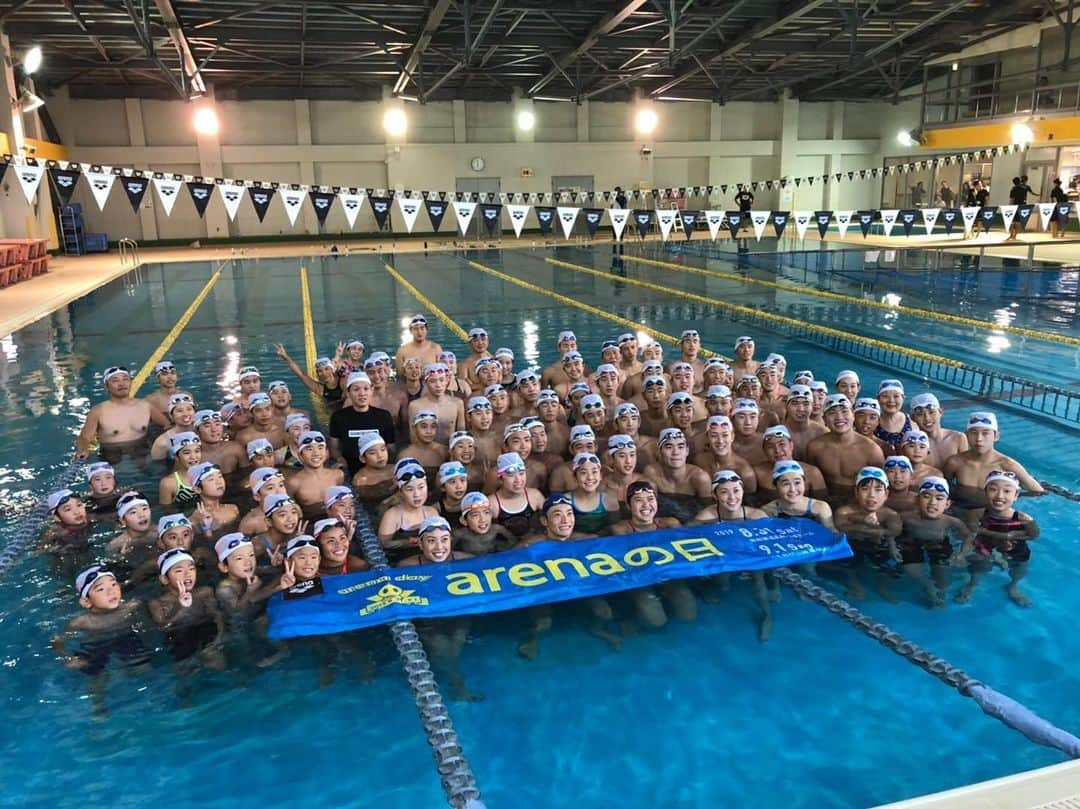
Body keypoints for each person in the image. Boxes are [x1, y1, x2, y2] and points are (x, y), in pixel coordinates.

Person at [515, 493, 620, 658]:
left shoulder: (585, 540)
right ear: (544, 521)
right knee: (543, 624)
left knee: (604, 612)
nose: (565, 520)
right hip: (546, 591)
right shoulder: (531, 546)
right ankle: (532, 641)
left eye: (569, 514)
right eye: (558, 515)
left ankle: (597, 629)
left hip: (577, 587)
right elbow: (509, 568)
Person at [51, 565, 152, 716]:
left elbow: (147, 625)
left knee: (144, 668)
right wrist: (68, 659)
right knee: (97, 677)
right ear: (86, 602)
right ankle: (98, 704)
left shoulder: (130, 607)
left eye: (113, 584)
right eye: (100, 589)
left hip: (125, 636)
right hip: (96, 644)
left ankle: (133, 686)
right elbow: (57, 642)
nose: (111, 591)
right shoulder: (81, 622)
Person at [397, 516, 479, 701]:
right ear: (420, 544)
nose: (439, 547)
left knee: (454, 649)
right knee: (444, 651)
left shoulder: (465, 560)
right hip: (427, 620)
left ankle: (450, 678)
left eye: (444, 540)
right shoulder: (407, 567)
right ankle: (459, 687)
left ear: (451, 540)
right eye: (431, 541)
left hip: (458, 615)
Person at [691, 471, 773, 640]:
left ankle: (767, 615)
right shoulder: (707, 516)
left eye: (736, 490)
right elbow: (683, 536)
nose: (731, 497)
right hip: (724, 556)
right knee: (722, 583)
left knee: (758, 579)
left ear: (743, 491)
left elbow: (772, 547)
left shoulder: (757, 516)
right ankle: (714, 588)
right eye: (724, 492)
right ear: (714, 495)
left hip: (750, 555)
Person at [610, 480, 697, 627]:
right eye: (638, 500)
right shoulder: (620, 529)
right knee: (656, 622)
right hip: (641, 580)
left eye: (650, 499)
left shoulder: (670, 523)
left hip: (669, 575)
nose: (646, 505)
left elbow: (685, 549)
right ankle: (629, 620)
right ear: (628, 505)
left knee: (689, 615)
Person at [956, 471, 1039, 606]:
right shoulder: (977, 513)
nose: (1000, 496)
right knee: (980, 566)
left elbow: (1034, 535)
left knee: (1019, 568)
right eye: (993, 489)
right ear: (985, 492)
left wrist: (1011, 536)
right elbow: (970, 534)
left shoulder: (1024, 519)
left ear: (1016, 496)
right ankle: (972, 585)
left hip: (1015, 550)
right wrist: (961, 554)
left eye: (1007, 491)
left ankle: (1012, 586)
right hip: (986, 546)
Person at [941, 412, 1043, 510]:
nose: (979, 439)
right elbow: (943, 488)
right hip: (961, 508)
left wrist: (1009, 498)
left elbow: (1037, 491)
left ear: (996, 436)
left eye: (985, 433)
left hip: (990, 512)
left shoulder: (1007, 465)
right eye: (974, 433)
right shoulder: (955, 463)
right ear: (967, 435)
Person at [148, 549, 226, 678]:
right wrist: (181, 608)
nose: (187, 574)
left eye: (191, 569)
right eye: (179, 571)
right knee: (185, 673)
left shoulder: (204, 592)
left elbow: (216, 615)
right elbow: (163, 627)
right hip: (178, 636)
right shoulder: (157, 604)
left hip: (205, 629)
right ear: (164, 579)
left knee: (216, 661)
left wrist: (220, 638)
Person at [898, 477, 972, 608]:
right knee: (909, 569)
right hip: (912, 543)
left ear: (947, 504)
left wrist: (962, 554)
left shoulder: (951, 521)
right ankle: (928, 585)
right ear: (917, 500)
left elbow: (968, 536)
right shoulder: (906, 518)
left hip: (939, 545)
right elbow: (891, 530)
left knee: (943, 581)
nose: (932, 502)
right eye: (927, 496)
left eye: (939, 498)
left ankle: (939, 595)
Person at [833, 467, 903, 602]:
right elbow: (839, 528)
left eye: (878, 490)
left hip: (877, 546)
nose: (871, 495)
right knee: (844, 563)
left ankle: (883, 587)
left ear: (886, 494)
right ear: (856, 492)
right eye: (865, 489)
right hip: (853, 545)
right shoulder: (844, 512)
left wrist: (869, 528)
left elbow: (895, 531)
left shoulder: (890, 515)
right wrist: (863, 524)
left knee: (895, 567)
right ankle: (854, 585)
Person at [805, 394, 885, 503]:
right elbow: (810, 480)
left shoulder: (871, 450)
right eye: (832, 413)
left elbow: (880, 487)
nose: (839, 417)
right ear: (824, 419)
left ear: (853, 415)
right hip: (825, 502)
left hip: (858, 505)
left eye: (844, 411)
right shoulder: (815, 447)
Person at [75, 366, 152, 460]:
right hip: (112, 458)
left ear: (130, 383)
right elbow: (84, 437)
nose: (122, 384)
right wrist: (82, 450)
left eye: (125, 379)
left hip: (142, 455)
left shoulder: (146, 406)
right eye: (115, 381)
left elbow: (167, 425)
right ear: (106, 386)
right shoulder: (98, 411)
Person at [328, 372, 396, 479]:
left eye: (366, 389)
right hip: (350, 469)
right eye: (356, 389)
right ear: (348, 393)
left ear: (371, 390)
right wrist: (340, 460)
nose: (362, 393)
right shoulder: (339, 417)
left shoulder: (383, 416)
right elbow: (334, 447)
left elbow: (390, 448)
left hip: (379, 469)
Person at [377, 460, 439, 563]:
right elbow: (382, 544)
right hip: (401, 562)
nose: (417, 494)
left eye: (421, 487)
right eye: (410, 489)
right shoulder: (392, 516)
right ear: (400, 492)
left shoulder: (432, 512)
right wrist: (406, 542)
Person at [286, 431, 345, 516]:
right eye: (309, 449)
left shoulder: (338, 475)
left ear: (327, 453)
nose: (316, 453)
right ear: (300, 455)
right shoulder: (294, 483)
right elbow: (290, 512)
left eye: (320, 448)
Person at [489, 452, 545, 541]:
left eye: (521, 473)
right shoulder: (492, 503)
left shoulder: (535, 496)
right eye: (511, 475)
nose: (518, 480)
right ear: (500, 479)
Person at [409, 363, 466, 444]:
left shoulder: (457, 404)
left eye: (441, 380)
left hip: (449, 452)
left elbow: (461, 436)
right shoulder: (415, 406)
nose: (438, 385)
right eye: (433, 381)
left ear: (447, 381)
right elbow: (414, 439)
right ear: (425, 383)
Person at [275, 346, 344, 411]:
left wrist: (338, 356)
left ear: (332, 370)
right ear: (317, 374)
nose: (324, 373)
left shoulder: (343, 380)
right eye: (320, 371)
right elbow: (301, 374)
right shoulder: (320, 389)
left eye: (326, 369)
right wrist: (285, 357)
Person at [909, 393, 967, 468]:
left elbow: (965, 468)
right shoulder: (912, 445)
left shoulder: (958, 438)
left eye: (931, 412)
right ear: (913, 418)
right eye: (920, 414)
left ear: (941, 412)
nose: (927, 418)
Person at [144, 360, 194, 429]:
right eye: (164, 374)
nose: (170, 377)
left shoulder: (186, 395)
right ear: (157, 378)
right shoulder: (150, 400)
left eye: (173, 373)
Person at [158, 432, 202, 508]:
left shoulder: (208, 474)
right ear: (176, 457)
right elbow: (167, 511)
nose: (193, 457)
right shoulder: (168, 483)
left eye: (197, 451)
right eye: (187, 453)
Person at [1006, 177, 1025, 241]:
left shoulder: (1013, 190)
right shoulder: (1023, 189)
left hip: (1014, 207)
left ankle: (1011, 234)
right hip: (1021, 207)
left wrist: (1009, 206)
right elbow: (1024, 199)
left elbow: (1012, 199)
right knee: (1018, 222)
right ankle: (1015, 235)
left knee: (1010, 222)